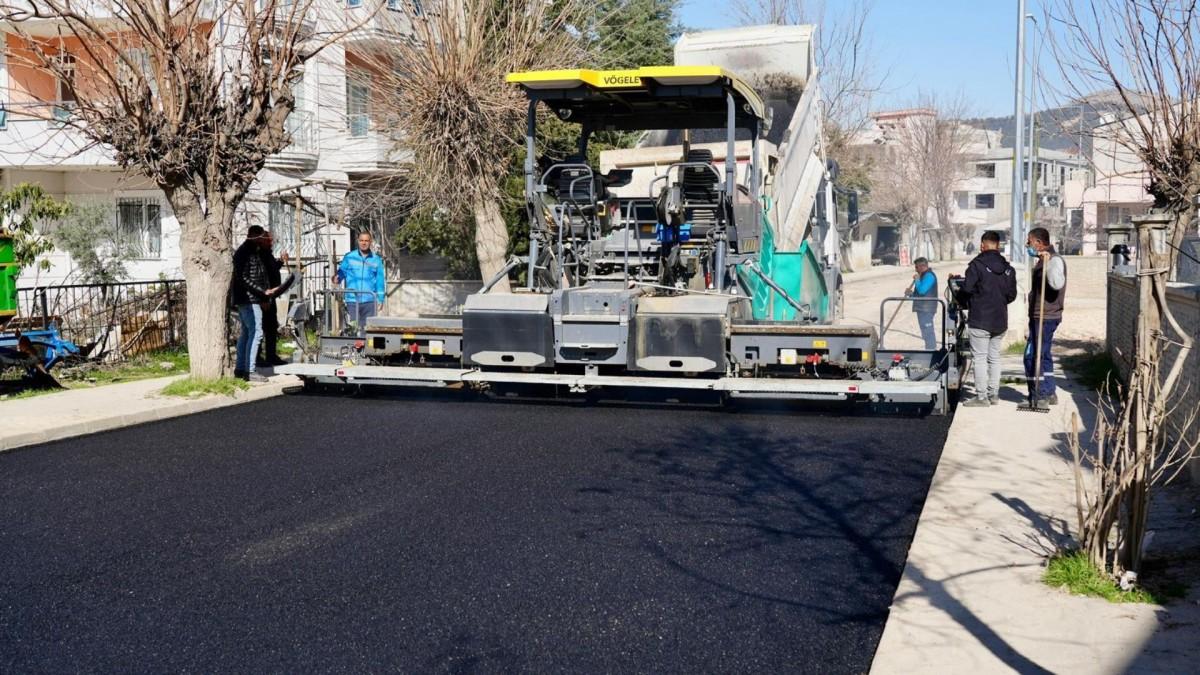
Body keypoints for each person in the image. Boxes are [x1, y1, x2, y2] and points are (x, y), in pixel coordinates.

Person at [957, 231, 1018, 407]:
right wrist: (999, 302)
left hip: (980, 319)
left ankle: (981, 397)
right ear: (998, 246)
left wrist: (964, 301)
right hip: (1000, 320)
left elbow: (967, 289)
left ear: (982, 245)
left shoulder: (976, 266)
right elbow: (1011, 295)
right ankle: (994, 394)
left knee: (980, 358)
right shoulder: (1008, 269)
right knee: (995, 358)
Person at [233, 225, 281, 382]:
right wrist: (262, 293)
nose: (263, 240)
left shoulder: (254, 251)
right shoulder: (245, 253)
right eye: (261, 237)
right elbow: (244, 278)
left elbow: (260, 275)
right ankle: (250, 370)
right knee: (256, 333)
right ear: (254, 236)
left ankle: (241, 368)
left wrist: (264, 295)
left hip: (251, 298)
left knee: (247, 333)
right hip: (249, 300)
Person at [1025, 227, 1067, 405]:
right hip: (1040, 315)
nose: (1027, 245)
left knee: (1033, 356)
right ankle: (1049, 392)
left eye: (1029, 242)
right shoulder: (1042, 260)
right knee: (1045, 355)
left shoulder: (1054, 260)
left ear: (1039, 243)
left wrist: (1048, 263)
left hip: (1046, 316)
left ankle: (1039, 394)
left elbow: (1056, 283)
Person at [333, 231, 386, 336]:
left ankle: (366, 346)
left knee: (367, 331)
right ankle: (354, 346)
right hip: (353, 300)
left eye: (366, 240)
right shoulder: (349, 257)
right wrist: (337, 278)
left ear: (370, 242)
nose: (364, 243)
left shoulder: (376, 260)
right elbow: (342, 272)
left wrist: (380, 299)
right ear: (358, 241)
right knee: (354, 329)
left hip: (370, 301)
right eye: (361, 240)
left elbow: (380, 280)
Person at [256, 229, 289, 368]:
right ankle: (257, 357)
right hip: (263, 297)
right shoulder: (258, 255)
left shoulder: (267, 254)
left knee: (271, 327)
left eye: (271, 239)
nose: (271, 242)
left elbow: (272, 269)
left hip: (271, 295)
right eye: (268, 239)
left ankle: (271, 355)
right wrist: (263, 298)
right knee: (260, 327)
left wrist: (281, 261)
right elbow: (260, 277)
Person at [906, 257, 939, 350]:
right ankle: (929, 349)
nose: (915, 270)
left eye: (916, 267)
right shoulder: (924, 276)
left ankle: (931, 351)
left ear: (922, 266)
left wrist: (917, 279)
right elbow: (919, 294)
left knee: (928, 332)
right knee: (925, 332)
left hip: (927, 309)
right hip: (922, 308)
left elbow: (922, 291)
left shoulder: (929, 276)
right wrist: (910, 294)